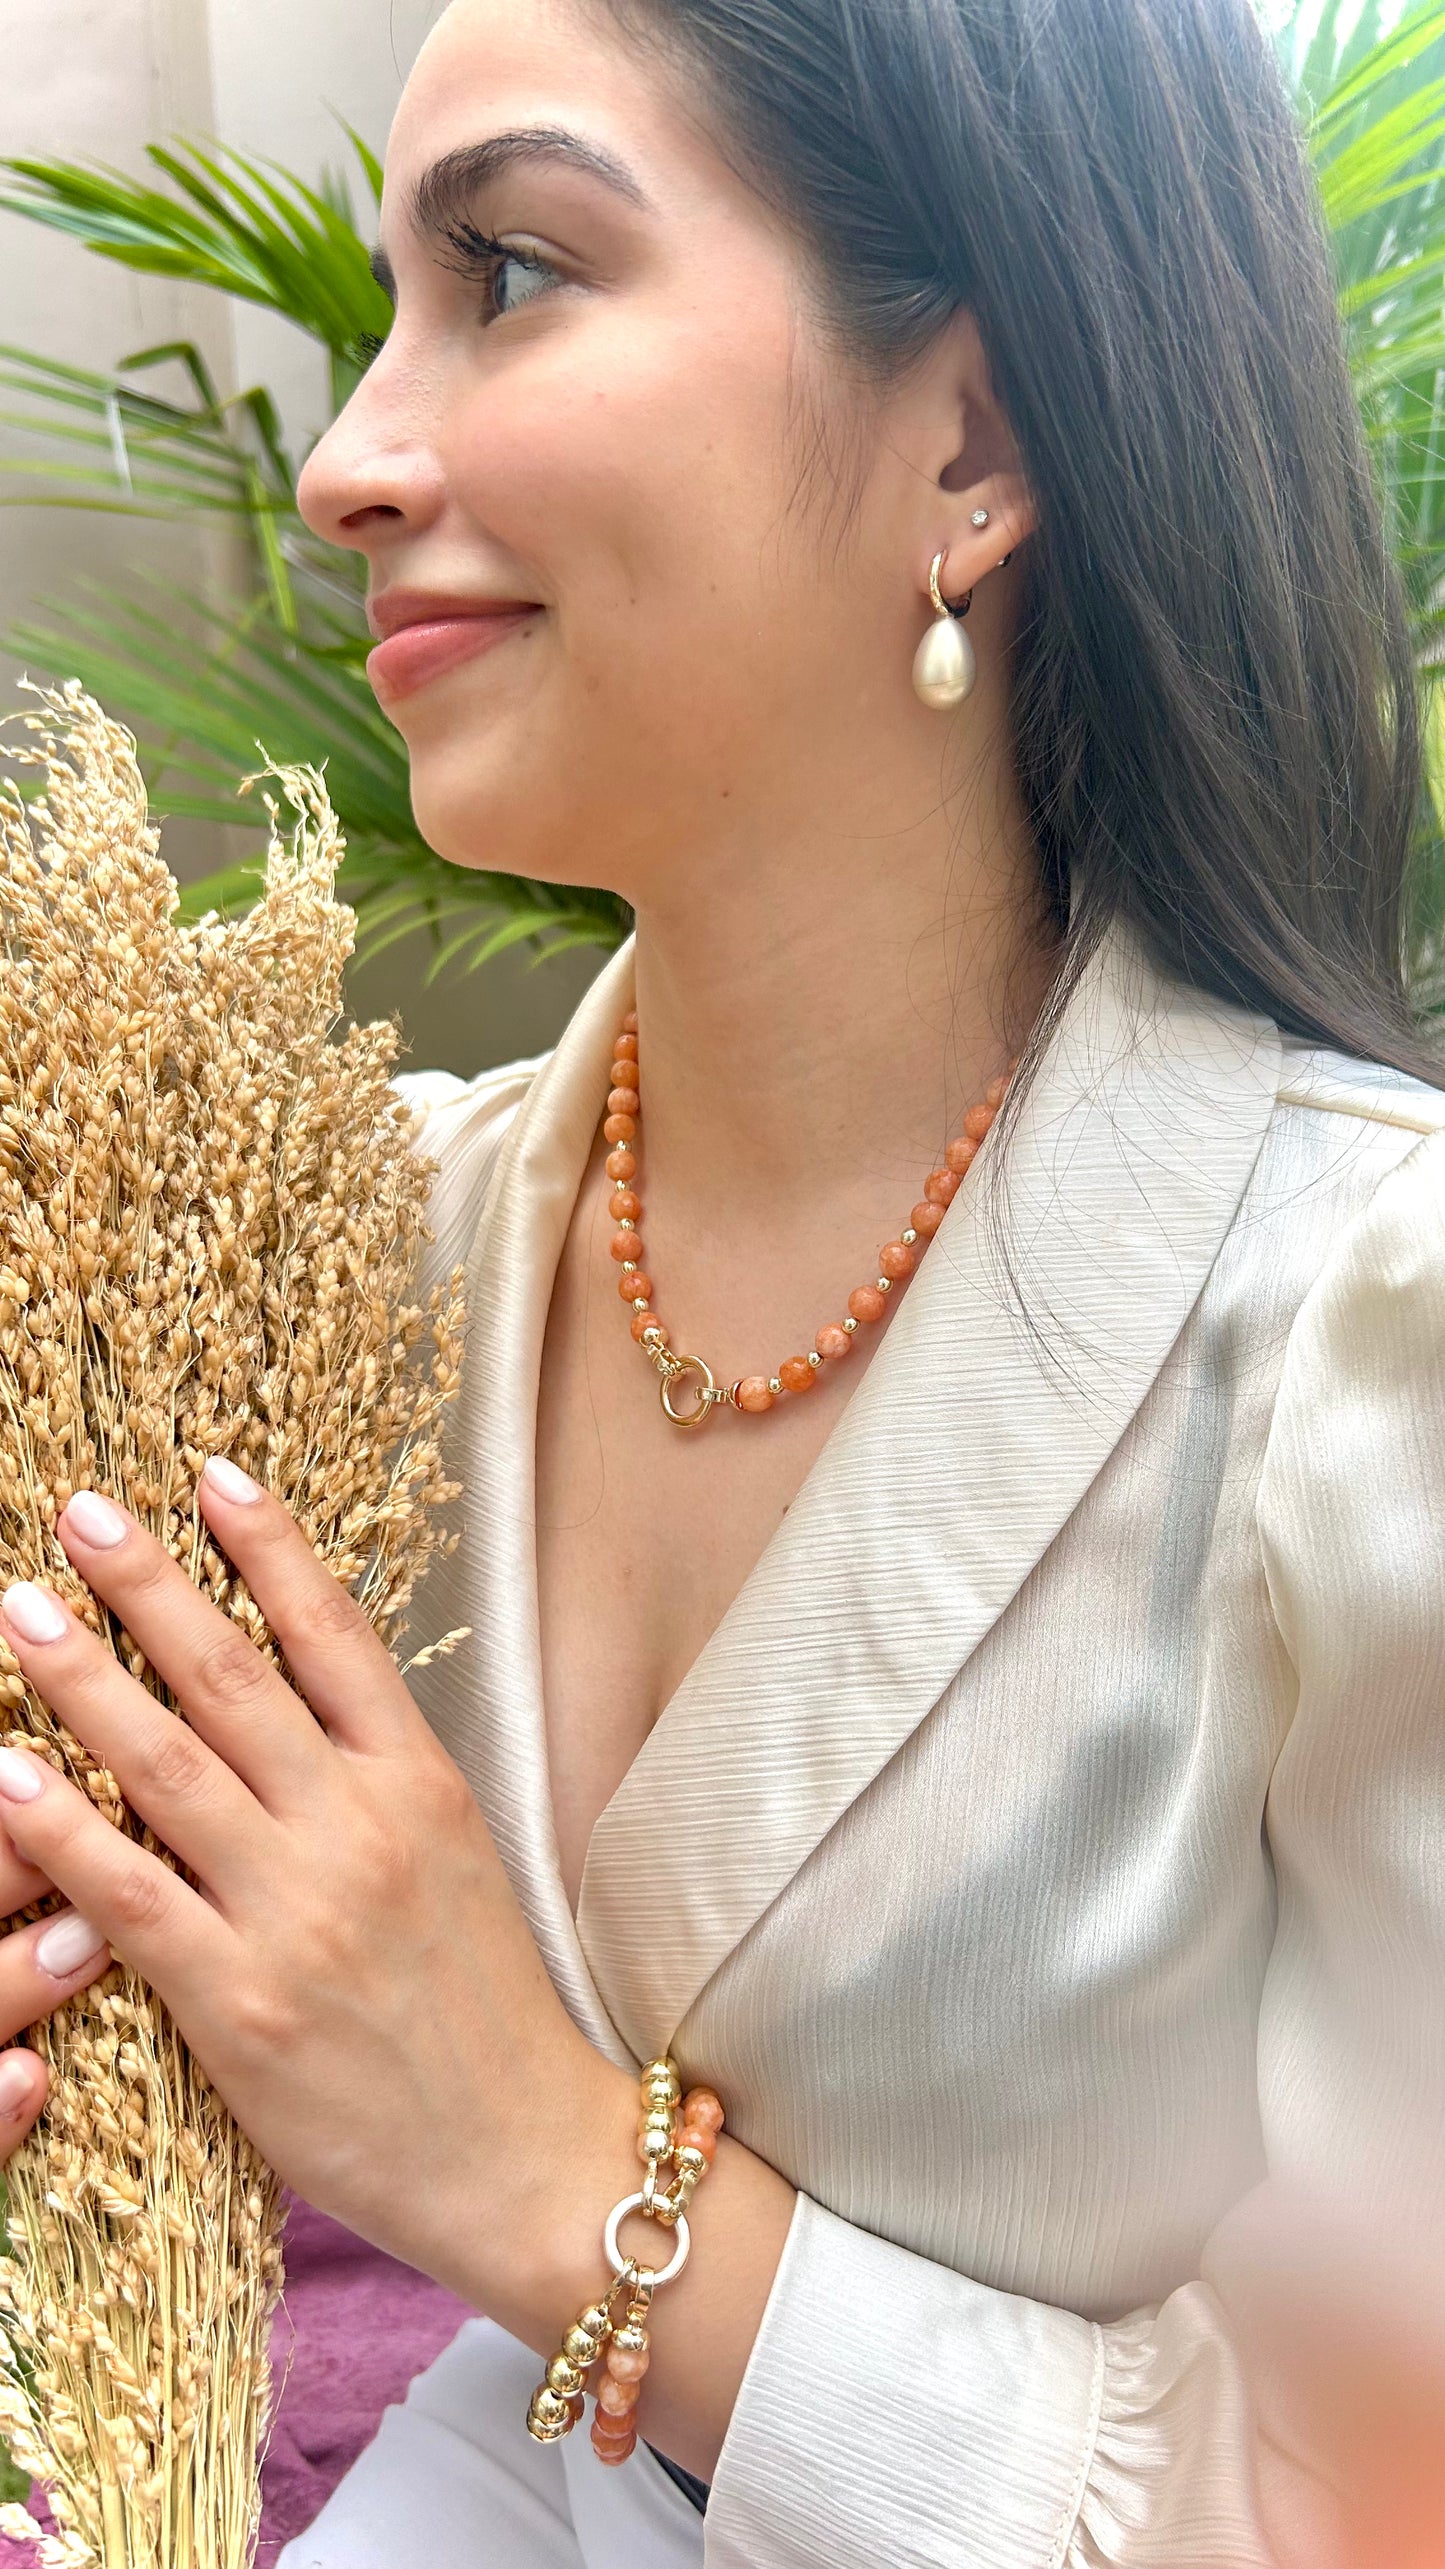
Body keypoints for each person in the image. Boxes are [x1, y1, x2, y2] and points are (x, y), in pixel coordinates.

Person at [0, 0, 1442, 2560]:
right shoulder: (365, 1263)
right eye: (378, 318)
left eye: (517, 271)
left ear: (971, 446)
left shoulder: (1367, 1340)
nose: (346, 463)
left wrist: (562, 2183)